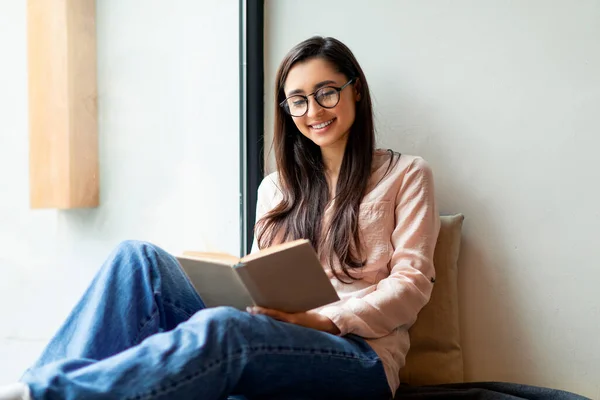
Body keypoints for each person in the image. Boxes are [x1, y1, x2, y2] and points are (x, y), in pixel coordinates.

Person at [0, 36, 440, 400]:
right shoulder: (276, 188)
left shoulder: (406, 174)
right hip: (274, 335)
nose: (314, 111)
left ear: (355, 88)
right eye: (298, 101)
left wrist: (325, 320)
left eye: (327, 92)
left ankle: (43, 392)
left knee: (225, 329)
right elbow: (259, 277)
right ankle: (36, 389)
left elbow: (412, 285)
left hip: (359, 356)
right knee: (137, 259)